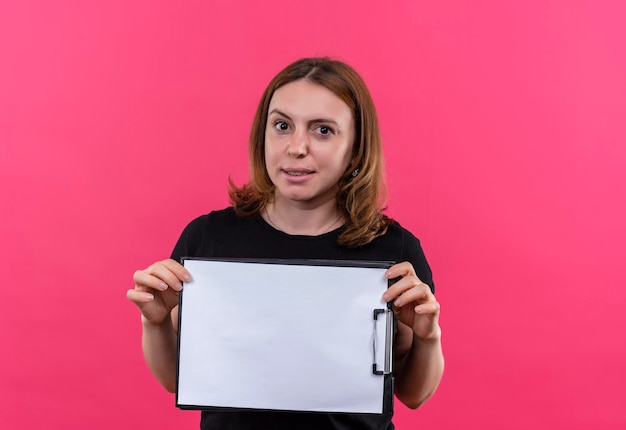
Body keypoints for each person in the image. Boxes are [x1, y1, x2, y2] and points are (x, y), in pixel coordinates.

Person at [127, 57, 444, 430]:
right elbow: (175, 380)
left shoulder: (393, 249)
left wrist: (428, 335)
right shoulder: (208, 238)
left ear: (356, 148)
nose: (296, 147)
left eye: (322, 130)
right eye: (281, 126)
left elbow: (414, 395)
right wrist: (156, 321)